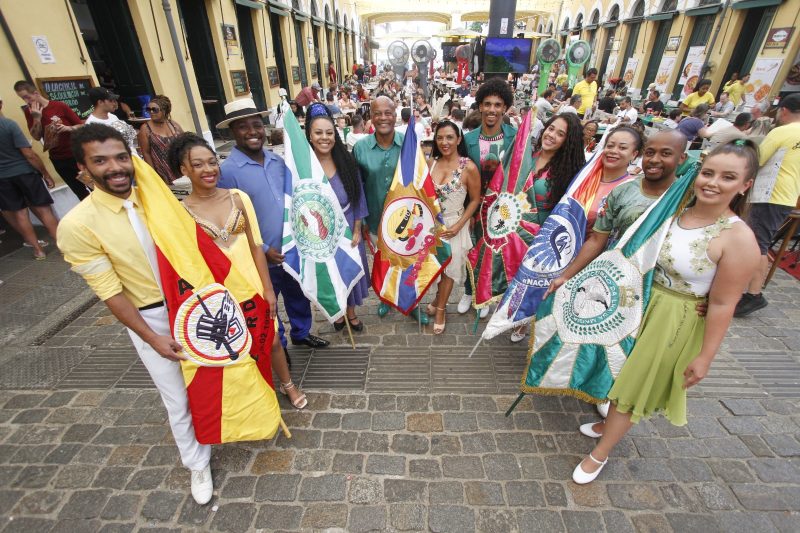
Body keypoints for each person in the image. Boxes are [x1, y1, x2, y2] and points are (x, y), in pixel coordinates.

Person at [570, 140, 760, 484]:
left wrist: (705, 357)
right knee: (616, 370)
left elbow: (722, 303)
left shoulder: (740, 239)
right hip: (639, 302)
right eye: (708, 172)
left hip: (673, 319)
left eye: (728, 177)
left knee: (633, 385)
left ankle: (600, 453)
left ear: (745, 185)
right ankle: (606, 423)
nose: (713, 183)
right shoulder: (674, 209)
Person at [57, 124, 213, 504]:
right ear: (82, 168)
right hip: (152, 317)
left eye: (120, 157)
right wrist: (151, 337)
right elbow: (110, 293)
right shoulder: (76, 225)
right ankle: (197, 464)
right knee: (176, 397)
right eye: (101, 160)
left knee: (212, 376)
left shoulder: (159, 198)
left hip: (194, 302)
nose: (115, 168)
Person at [165, 133, 306, 410]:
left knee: (273, 339)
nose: (209, 170)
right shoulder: (181, 212)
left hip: (251, 281)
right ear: (184, 170)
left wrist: (266, 289)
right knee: (236, 344)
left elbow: (255, 246)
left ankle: (288, 384)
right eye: (198, 165)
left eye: (212, 162)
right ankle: (253, 393)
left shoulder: (238, 198)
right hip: (219, 291)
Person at [216, 97, 330, 349]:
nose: (252, 132)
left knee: (298, 295)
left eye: (256, 125)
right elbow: (230, 220)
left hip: (292, 249)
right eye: (243, 127)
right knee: (268, 303)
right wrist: (264, 248)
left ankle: (301, 332)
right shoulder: (228, 172)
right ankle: (277, 345)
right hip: (261, 255)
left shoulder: (278, 162)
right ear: (232, 131)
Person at [353, 96, 429, 324]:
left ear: (395, 115)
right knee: (384, 263)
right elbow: (357, 188)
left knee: (411, 264)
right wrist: (363, 221)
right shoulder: (360, 149)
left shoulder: (409, 143)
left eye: (388, 112)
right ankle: (387, 298)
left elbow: (421, 180)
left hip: (409, 220)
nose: (383, 117)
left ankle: (413, 304)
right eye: (378, 113)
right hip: (376, 220)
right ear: (371, 117)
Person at [304, 104, 370, 331]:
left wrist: (358, 228)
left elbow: (359, 194)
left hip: (349, 225)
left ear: (336, 134)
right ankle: (338, 312)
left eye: (329, 132)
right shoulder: (305, 168)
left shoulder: (348, 161)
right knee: (331, 273)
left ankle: (351, 312)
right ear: (310, 136)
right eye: (318, 133)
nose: (325, 138)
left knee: (349, 269)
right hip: (321, 231)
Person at [735, 94, 800, 316]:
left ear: (783, 111)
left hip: (769, 193)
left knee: (758, 244)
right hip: (788, 195)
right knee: (760, 241)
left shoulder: (782, 131)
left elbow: (757, 159)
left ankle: (754, 294)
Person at [460, 78, 517, 316]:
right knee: (472, 249)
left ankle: (488, 296)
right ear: (480, 107)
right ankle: (467, 291)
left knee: (495, 251)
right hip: (475, 206)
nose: (492, 109)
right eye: (487, 104)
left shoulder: (515, 137)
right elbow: (460, 173)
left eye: (498, 104)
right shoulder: (469, 139)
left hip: (502, 209)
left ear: (505, 108)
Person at [426, 120, 481, 334]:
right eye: (440, 137)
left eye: (449, 137)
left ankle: (441, 309)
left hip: (454, 225)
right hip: (432, 227)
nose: (444, 142)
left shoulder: (468, 167)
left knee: (449, 270)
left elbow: (475, 200)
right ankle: (437, 299)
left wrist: (459, 225)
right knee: (436, 268)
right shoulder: (431, 162)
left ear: (459, 139)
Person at [0, 95, 59, 260]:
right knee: (43, 209)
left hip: (3, 178)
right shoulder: (8, 124)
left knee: (20, 214)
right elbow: (28, 154)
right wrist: (45, 174)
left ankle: (38, 249)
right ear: (1, 104)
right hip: (24, 172)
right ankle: (61, 244)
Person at [13, 80, 87, 201]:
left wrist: (68, 128)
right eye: (23, 99)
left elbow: (81, 126)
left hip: (76, 155)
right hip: (58, 159)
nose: (26, 101)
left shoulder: (59, 106)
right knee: (80, 192)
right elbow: (36, 137)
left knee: (94, 185)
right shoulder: (29, 112)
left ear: (36, 93)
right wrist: (37, 119)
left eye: (27, 97)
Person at [138, 95, 183, 184]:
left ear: (164, 111)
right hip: (162, 170)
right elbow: (146, 153)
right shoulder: (146, 128)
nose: (151, 112)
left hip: (179, 167)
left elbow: (185, 144)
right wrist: (154, 175)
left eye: (154, 109)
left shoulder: (174, 125)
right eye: (148, 109)